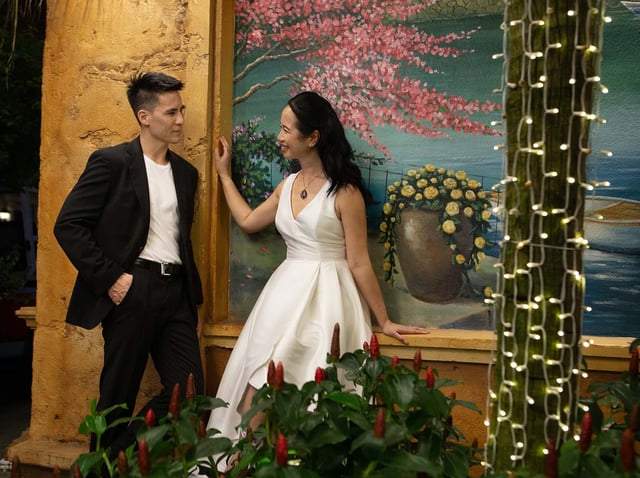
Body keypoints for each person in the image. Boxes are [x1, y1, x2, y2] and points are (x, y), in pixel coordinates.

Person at [208, 91, 429, 442]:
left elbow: (358, 262)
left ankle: (285, 474)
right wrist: (223, 175)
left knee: (305, 384)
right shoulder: (288, 185)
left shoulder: (345, 193)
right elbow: (249, 221)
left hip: (326, 302)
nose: (279, 137)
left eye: (286, 129)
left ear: (312, 138)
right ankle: (239, 469)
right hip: (282, 296)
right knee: (259, 380)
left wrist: (383, 320)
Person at [53, 72, 204, 457]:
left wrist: (192, 301)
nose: (180, 120)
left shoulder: (187, 175)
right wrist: (112, 279)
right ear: (144, 116)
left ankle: (119, 458)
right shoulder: (112, 162)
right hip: (131, 289)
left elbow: (181, 243)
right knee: (117, 396)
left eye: (181, 111)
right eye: (171, 112)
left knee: (188, 392)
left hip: (176, 296)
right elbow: (68, 225)